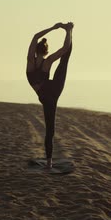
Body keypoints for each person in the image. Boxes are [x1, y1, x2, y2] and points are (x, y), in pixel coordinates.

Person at [26, 22, 73, 169]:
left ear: (35, 50)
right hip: (54, 88)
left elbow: (35, 37)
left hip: (47, 96)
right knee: (65, 59)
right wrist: (68, 31)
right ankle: (70, 30)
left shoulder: (29, 62)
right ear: (46, 51)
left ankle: (49, 163)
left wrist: (53, 28)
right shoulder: (48, 62)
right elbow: (65, 49)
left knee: (49, 130)